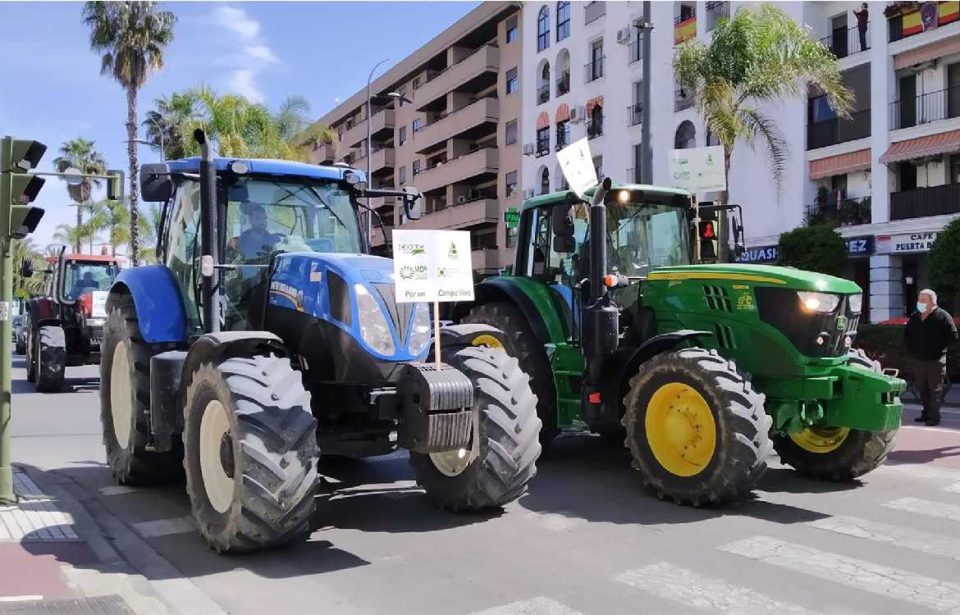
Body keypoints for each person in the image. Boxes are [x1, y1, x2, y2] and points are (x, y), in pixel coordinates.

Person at [904, 289, 958, 426]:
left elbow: (953, 337)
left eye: (923, 300)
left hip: (936, 360)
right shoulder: (915, 317)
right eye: (919, 299)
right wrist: (912, 351)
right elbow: (907, 336)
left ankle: (934, 416)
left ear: (932, 301)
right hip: (918, 359)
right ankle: (925, 413)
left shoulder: (943, 316)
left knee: (935, 389)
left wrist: (940, 350)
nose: (919, 302)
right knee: (921, 388)